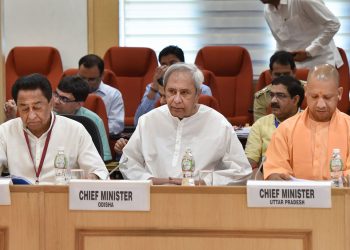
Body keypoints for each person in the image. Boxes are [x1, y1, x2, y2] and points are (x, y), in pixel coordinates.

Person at [119, 63, 252, 185]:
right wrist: (151, 181)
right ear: (164, 91)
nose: (176, 100)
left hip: (201, 199)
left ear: (197, 94)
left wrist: (202, 182)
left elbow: (241, 171)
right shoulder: (148, 121)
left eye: (184, 93)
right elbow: (128, 162)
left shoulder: (218, 124)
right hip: (153, 196)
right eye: (171, 91)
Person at [0, 73, 109, 183]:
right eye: (24, 109)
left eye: (37, 107)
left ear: (51, 103)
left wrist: (93, 177)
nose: (31, 115)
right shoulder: (5, 131)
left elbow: (100, 171)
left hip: (64, 197)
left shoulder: (75, 130)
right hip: (20, 198)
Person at [264, 64, 350, 180]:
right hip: (297, 197)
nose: (321, 105)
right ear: (305, 92)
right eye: (314, 96)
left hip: (340, 197)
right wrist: (275, 176)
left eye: (327, 97)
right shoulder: (286, 129)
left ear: (339, 94)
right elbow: (275, 168)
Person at [134, 45, 212, 125]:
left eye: (173, 63)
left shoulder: (201, 88)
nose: (168, 68)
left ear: (182, 64)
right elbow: (138, 121)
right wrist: (154, 88)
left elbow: (205, 119)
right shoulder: (153, 88)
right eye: (164, 64)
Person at [260, 0, 343, 69]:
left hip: (323, 62)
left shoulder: (302, 1)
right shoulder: (267, 11)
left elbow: (333, 24)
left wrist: (309, 52)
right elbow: (281, 42)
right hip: (295, 67)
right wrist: (278, 61)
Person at [245, 75, 304, 170]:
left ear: (295, 100)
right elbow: (250, 162)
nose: (273, 100)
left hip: (302, 180)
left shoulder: (310, 122)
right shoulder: (261, 124)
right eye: (272, 95)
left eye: (280, 96)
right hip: (269, 180)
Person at [53, 75, 112, 162]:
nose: (56, 101)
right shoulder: (46, 115)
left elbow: (104, 156)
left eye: (64, 99)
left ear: (79, 104)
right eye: (56, 94)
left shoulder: (93, 121)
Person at [78, 54, 125, 135]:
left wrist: (91, 129)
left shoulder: (113, 94)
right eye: (82, 78)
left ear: (102, 76)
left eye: (91, 79)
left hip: (99, 137)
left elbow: (117, 125)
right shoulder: (68, 91)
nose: (85, 83)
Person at [254, 50, 306, 121]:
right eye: (277, 75)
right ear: (271, 73)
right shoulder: (262, 97)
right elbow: (259, 127)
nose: (282, 78)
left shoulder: (310, 91)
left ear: (294, 72)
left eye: (286, 74)